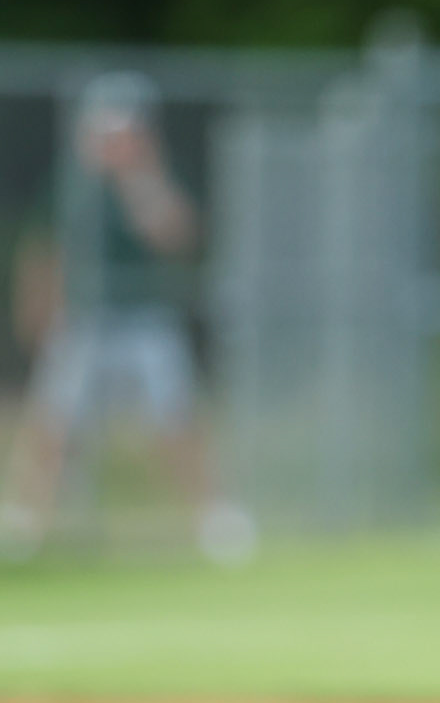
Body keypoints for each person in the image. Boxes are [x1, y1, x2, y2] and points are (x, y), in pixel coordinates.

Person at [0, 71, 256, 563]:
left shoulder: (153, 179)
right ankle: (25, 521)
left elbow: (177, 237)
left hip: (144, 320)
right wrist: (37, 308)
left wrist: (140, 178)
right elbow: (43, 247)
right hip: (85, 321)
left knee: (177, 419)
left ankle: (216, 519)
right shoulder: (72, 184)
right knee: (53, 422)